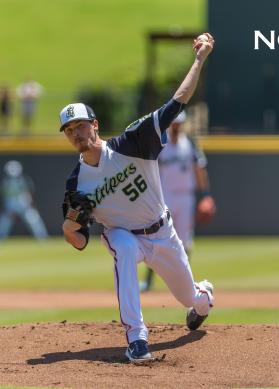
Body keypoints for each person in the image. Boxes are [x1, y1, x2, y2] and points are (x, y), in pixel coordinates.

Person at [60, 33, 216, 363]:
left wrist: (200, 60)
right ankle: (136, 337)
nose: (76, 134)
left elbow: (178, 101)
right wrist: (69, 230)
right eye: (69, 130)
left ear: (95, 125)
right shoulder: (77, 182)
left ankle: (204, 296)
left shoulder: (133, 143)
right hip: (122, 235)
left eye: (80, 126)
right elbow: (76, 235)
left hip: (162, 232)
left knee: (192, 297)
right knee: (124, 246)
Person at [140, 111, 216, 292]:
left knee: (185, 241)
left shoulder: (190, 143)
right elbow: (151, 172)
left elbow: (199, 170)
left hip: (185, 197)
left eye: (178, 124)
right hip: (165, 196)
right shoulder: (161, 144)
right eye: (173, 124)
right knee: (156, 238)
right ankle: (149, 282)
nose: (176, 127)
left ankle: (185, 283)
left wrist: (206, 195)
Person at [0, 160, 49, 240]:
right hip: (10, 206)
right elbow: (1, 196)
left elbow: (30, 193)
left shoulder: (24, 180)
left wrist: (30, 205)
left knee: (34, 219)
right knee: (4, 222)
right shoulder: (4, 182)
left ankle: (43, 238)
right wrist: (6, 208)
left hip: (24, 205)